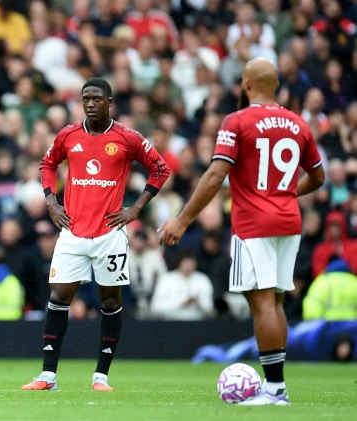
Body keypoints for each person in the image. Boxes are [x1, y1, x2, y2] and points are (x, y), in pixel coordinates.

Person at [158, 58, 326, 405]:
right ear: (275, 85)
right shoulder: (298, 123)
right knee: (275, 301)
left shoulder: (237, 121)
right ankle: (276, 385)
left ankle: (275, 390)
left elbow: (215, 175)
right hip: (288, 222)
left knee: (262, 302)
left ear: (246, 83)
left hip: (254, 223)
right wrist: (284, 194)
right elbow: (318, 177)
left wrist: (182, 220)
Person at [22, 77, 169, 392]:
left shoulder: (127, 137)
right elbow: (47, 164)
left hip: (110, 233)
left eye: (97, 99)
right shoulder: (68, 135)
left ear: (109, 102)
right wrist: (51, 202)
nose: (90, 104)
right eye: (86, 98)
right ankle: (48, 376)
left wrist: (136, 209)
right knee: (58, 297)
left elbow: (160, 169)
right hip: (72, 231)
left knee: (110, 301)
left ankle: (101, 377)